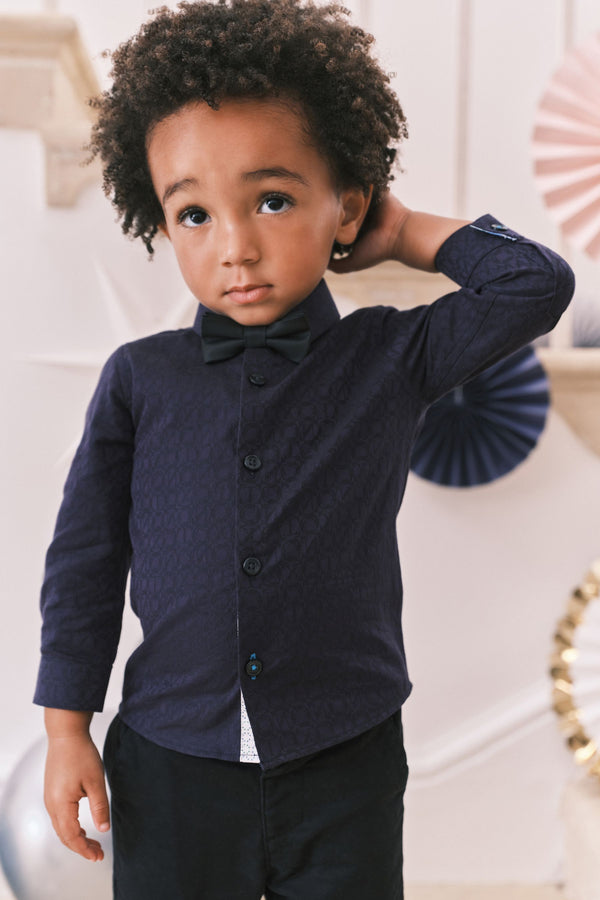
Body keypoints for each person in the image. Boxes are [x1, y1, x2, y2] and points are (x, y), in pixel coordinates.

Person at [33, 1, 575, 898]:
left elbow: (535, 283)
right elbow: (84, 561)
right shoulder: (139, 378)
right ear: (159, 223)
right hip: (170, 758)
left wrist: (402, 233)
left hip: (344, 757)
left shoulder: (392, 355)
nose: (236, 247)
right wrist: (65, 731)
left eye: (273, 200)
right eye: (194, 215)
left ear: (345, 204)